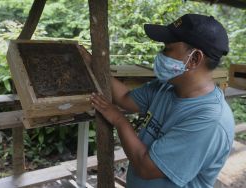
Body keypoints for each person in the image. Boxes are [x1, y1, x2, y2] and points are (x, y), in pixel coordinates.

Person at [90, 14, 235, 188]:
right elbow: (124, 99)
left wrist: (119, 120)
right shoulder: (166, 87)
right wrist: (91, 62)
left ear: (194, 59)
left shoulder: (210, 120)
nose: (160, 55)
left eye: (167, 49)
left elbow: (146, 167)